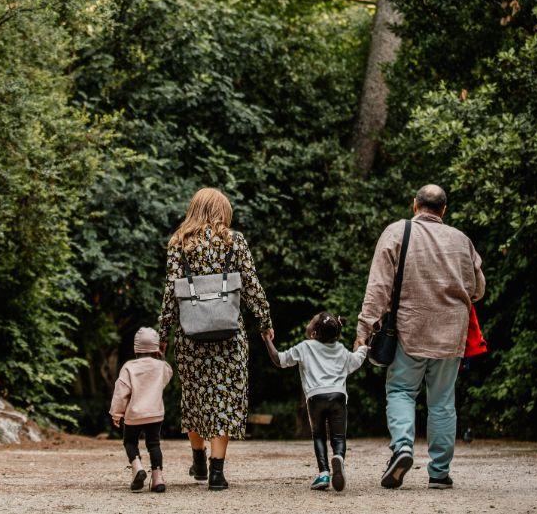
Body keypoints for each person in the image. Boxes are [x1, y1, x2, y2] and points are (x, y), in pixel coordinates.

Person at [355, 184, 485, 490]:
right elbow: (478, 289)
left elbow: (378, 287)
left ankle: (402, 448)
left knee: (401, 391)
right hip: (451, 335)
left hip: (408, 330)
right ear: (444, 210)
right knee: (442, 402)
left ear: (415, 205)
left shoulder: (397, 232)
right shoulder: (461, 240)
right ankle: (439, 473)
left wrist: (363, 330)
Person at [158, 188, 274, 491]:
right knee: (224, 397)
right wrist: (264, 321)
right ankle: (217, 472)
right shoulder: (234, 241)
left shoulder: (179, 243)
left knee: (195, 397)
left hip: (190, 334)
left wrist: (163, 334)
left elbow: (171, 292)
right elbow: (251, 284)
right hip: (229, 333)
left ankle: (198, 456)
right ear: (222, 210)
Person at [263, 312, 367, 492]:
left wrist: (267, 340)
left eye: (311, 321)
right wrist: (362, 348)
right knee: (338, 437)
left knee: (319, 435)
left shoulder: (305, 347)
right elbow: (355, 361)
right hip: (338, 396)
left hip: (315, 398)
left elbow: (279, 360)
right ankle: (339, 458)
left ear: (313, 334)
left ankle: (324, 473)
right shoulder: (341, 349)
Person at [109, 326, 173, 493]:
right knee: (154, 444)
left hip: (134, 414)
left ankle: (137, 468)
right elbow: (166, 376)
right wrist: (161, 356)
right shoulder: (161, 366)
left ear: (135, 348)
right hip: (155, 414)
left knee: (130, 442)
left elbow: (121, 390)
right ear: (157, 348)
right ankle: (158, 479)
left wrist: (117, 413)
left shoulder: (129, 367)